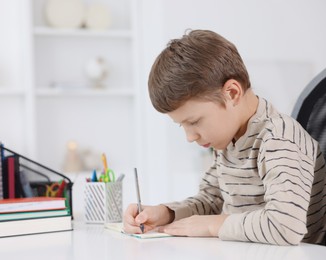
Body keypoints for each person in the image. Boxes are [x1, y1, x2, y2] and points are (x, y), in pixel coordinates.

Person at [123, 29, 326, 246]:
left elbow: (285, 227)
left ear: (231, 93)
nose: (190, 137)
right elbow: (210, 200)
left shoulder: (280, 138)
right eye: (181, 125)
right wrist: (166, 213)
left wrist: (212, 225)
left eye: (194, 122)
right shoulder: (228, 140)